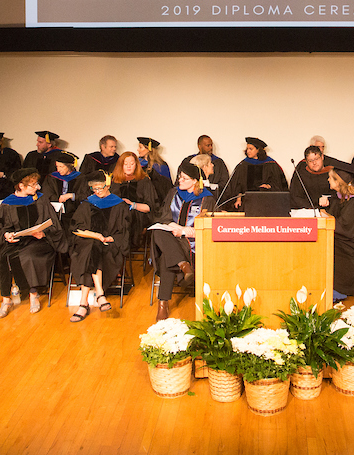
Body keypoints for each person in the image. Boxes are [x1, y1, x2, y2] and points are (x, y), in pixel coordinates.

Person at [0, 168, 64, 318]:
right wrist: (7, 234)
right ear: (21, 186)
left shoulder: (41, 200)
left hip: (40, 241)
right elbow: (2, 228)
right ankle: (6, 299)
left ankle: (33, 294)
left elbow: (54, 224)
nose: (37, 187)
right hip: (18, 240)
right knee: (5, 256)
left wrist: (44, 233)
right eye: (33, 185)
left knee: (28, 255)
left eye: (36, 184)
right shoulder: (7, 204)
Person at [67, 170, 131, 322]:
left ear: (107, 185)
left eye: (100, 188)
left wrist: (112, 238)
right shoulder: (87, 203)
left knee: (92, 251)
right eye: (94, 189)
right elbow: (76, 228)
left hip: (110, 245)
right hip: (87, 244)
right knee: (92, 246)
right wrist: (95, 236)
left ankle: (84, 304)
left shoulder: (119, 204)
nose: (97, 192)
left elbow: (124, 231)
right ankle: (100, 295)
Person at [154, 162, 213, 321]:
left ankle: (163, 304)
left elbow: (206, 227)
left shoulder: (206, 198)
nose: (180, 180)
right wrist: (176, 227)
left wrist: (184, 231)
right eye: (180, 177)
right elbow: (164, 217)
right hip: (172, 237)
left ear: (195, 181)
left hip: (192, 243)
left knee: (166, 258)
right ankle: (183, 265)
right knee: (158, 231)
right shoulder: (173, 193)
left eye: (184, 178)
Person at [318, 164, 354, 301]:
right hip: (343, 242)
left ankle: (335, 289)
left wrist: (325, 217)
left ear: (338, 181)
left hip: (351, 250)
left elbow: (346, 229)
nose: (328, 180)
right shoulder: (342, 198)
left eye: (330, 178)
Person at [220, 136, 289, 209]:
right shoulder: (243, 165)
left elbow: (278, 184)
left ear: (258, 150)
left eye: (251, 149)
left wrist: (269, 186)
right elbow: (238, 185)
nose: (248, 151)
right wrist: (238, 199)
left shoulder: (271, 165)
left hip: (266, 201)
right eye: (247, 149)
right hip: (247, 202)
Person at [109, 151, 158, 250]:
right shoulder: (115, 181)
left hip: (138, 216)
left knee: (126, 215)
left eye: (132, 164)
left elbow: (150, 207)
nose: (129, 167)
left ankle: (121, 244)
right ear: (120, 165)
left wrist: (132, 205)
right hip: (117, 216)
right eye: (125, 164)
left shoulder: (144, 181)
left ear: (136, 165)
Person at [41, 151, 86, 223]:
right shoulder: (51, 177)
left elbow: (85, 195)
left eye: (61, 167)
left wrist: (71, 195)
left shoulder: (80, 178)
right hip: (55, 212)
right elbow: (46, 193)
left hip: (75, 213)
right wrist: (58, 199)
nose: (58, 170)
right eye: (57, 166)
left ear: (69, 166)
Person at [291, 145, 333, 210]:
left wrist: (329, 199)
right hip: (307, 211)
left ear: (322, 157)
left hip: (330, 210)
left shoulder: (332, 172)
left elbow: (339, 194)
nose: (314, 163)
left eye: (316, 159)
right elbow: (295, 197)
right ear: (306, 162)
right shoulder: (301, 174)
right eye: (310, 161)